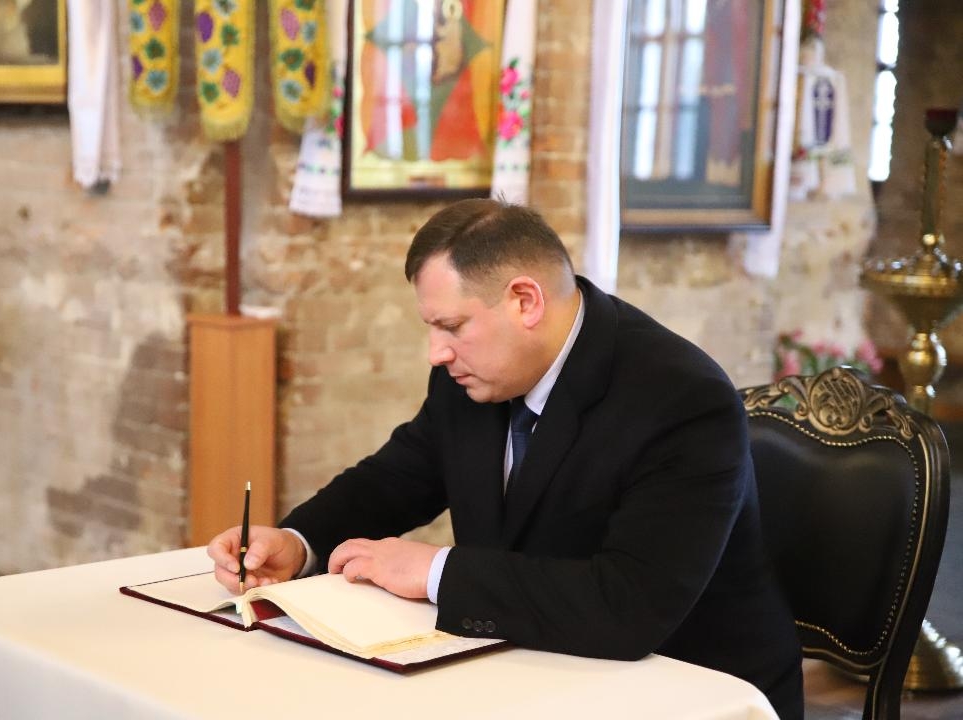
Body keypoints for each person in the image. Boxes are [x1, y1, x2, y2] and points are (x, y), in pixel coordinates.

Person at [208, 199, 803, 719]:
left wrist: (436, 572)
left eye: (451, 326)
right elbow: (399, 475)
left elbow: (629, 606)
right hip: (524, 666)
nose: (436, 352)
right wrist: (299, 542)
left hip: (685, 688)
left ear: (525, 301)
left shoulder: (682, 399)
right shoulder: (473, 373)